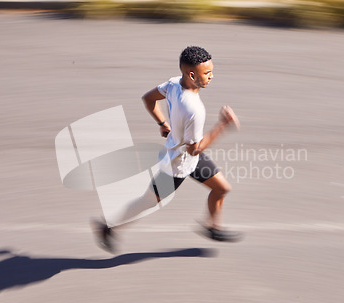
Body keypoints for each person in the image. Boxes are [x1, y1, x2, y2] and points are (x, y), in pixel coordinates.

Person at [93, 46, 241, 252]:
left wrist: (162, 123)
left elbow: (148, 99)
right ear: (192, 75)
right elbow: (194, 150)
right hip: (177, 164)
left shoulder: (174, 83)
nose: (211, 76)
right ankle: (107, 227)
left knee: (222, 188)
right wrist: (222, 126)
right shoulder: (195, 109)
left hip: (189, 156)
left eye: (211, 71)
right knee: (148, 202)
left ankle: (212, 227)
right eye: (207, 73)